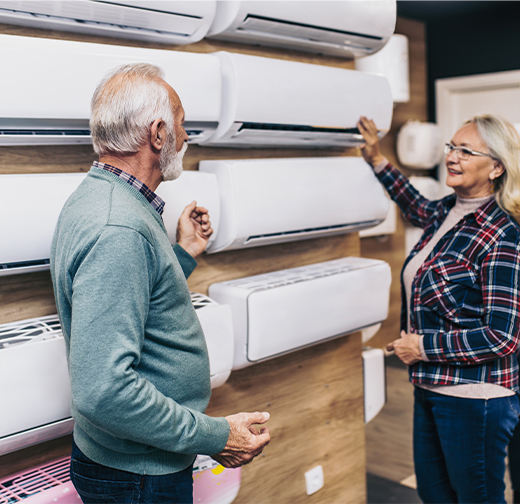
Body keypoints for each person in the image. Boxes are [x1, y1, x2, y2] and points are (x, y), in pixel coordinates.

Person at [50, 63, 270, 504]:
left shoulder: (106, 200)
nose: (186, 136)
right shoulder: (119, 227)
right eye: (182, 123)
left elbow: (137, 297)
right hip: (138, 476)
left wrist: (183, 252)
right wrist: (214, 436)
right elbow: (105, 392)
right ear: (158, 134)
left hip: (132, 466)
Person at [358, 114, 520, 503]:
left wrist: (422, 347)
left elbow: (502, 335)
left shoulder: (504, 233)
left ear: (496, 166)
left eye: (466, 151)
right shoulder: (448, 211)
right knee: (434, 495)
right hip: (430, 386)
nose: (452, 157)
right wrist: (377, 159)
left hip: (475, 397)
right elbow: (414, 204)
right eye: (451, 147)